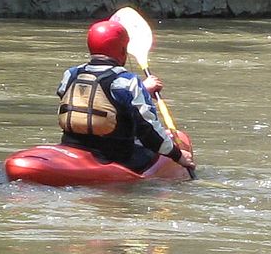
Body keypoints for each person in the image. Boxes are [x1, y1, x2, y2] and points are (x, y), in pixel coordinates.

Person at [57, 18, 194, 174]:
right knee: (151, 151)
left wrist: (143, 91)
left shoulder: (70, 74)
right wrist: (177, 155)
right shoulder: (128, 82)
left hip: (71, 146)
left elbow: (91, 101)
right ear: (122, 50)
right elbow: (148, 129)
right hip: (114, 155)